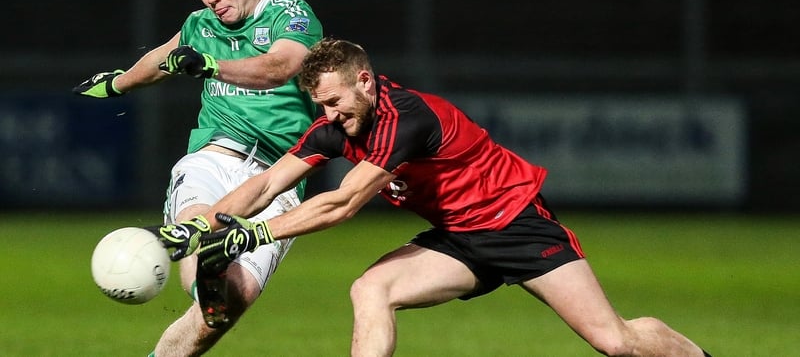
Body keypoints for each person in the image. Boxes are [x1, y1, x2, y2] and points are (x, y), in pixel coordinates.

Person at [159, 37, 713, 356]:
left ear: (366, 81)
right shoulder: (336, 126)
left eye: (335, 101)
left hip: (515, 223)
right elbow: (264, 183)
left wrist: (253, 234)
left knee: (615, 342)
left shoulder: (408, 118)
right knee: (371, 289)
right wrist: (205, 223)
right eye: (320, 105)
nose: (329, 116)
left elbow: (342, 203)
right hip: (458, 239)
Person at [73, 0, 323, 356]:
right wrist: (119, 83)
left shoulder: (291, 14)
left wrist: (210, 64)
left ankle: (211, 282)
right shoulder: (200, 24)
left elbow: (281, 66)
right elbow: (163, 58)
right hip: (214, 157)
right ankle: (207, 272)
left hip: (279, 177)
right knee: (196, 230)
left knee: (231, 301)